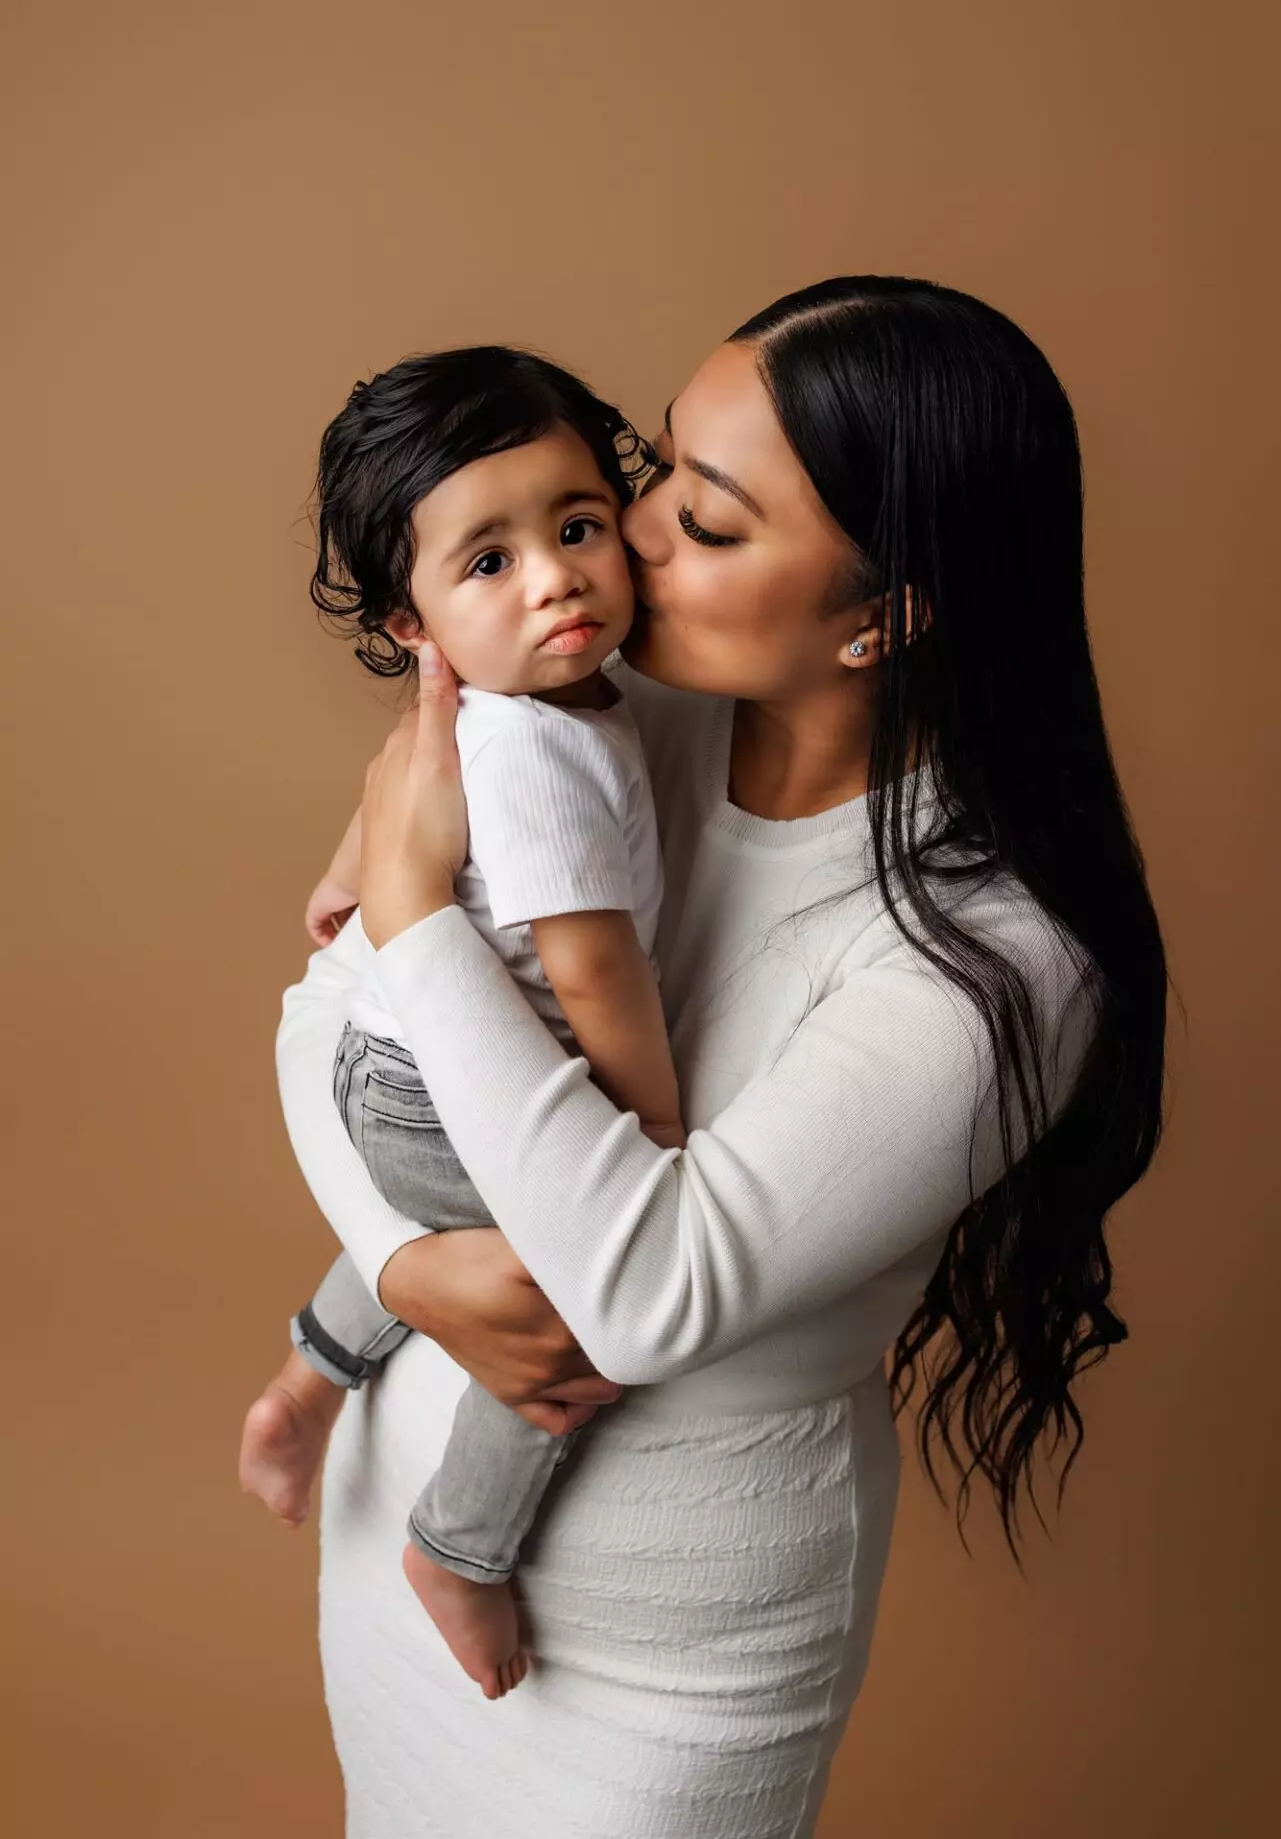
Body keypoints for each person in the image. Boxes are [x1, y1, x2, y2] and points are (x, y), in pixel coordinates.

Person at [273, 276, 1167, 1838]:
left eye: (716, 519)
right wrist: (400, 1268)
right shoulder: (594, 722)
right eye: (663, 466)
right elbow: (315, 1027)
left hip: (672, 1659)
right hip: (387, 1535)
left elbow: (645, 1290)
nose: (628, 529)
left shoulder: (1002, 963)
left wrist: (416, 910)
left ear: (883, 614)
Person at [240, 347, 683, 1700]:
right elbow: (597, 975)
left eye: (576, 526)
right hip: (433, 1096)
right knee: (578, 1306)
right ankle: (463, 1547)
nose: (553, 576)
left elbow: (410, 769)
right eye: (487, 562)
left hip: (393, 1072)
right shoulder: (543, 749)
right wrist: (650, 1123)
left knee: (438, 1235)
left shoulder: (516, 707)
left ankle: (307, 1387)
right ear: (414, 624)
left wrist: (341, 872)